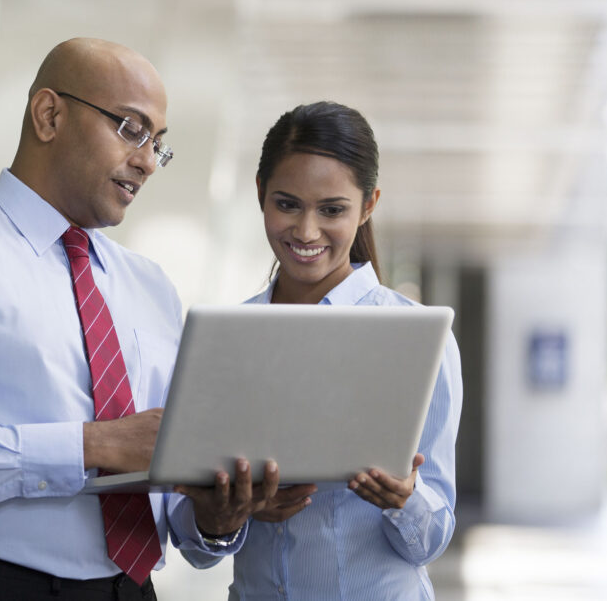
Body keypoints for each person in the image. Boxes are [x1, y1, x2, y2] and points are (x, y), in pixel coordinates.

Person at [0, 37, 279, 601]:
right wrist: (92, 445)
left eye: (159, 145)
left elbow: (174, 508)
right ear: (49, 115)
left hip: (131, 590)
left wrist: (216, 518)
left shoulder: (149, 285)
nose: (148, 161)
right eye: (131, 128)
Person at [181, 101, 463, 600]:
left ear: (369, 204)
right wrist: (225, 516)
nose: (306, 232)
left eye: (332, 210)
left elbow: (433, 539)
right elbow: (199, 546)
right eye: (287, 204)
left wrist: (405, 500)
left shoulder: (416, 337)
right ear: (260, 194)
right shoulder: (225, 339)